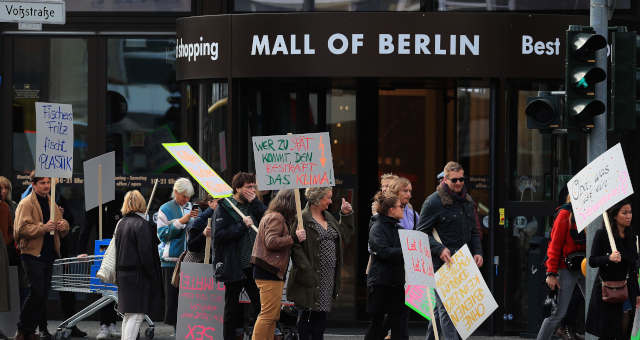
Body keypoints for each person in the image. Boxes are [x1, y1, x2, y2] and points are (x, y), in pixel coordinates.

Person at [417, 161, 483, 340]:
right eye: (455, 180)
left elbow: (474, 231)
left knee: (447, 312)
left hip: (463, 263)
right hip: (441, 264)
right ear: (445, 179)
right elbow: (421, 232)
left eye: (462, 179)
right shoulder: (433, 202)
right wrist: (439, 249)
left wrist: (478, 252)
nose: (459, 183)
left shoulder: (468, 201)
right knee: (448, 310)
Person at [287, 187, 354, 340]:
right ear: (317, 199)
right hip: (310, 276)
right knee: (307, 316)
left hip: (327, 277)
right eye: (328, 198)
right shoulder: (302, 218)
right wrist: (306, 269)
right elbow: (294, 247)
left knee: (320, 319)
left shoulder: (329, 217)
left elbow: (344, 235)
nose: (331, 201)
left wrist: (346, 214)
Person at [13, 176, 69, 340]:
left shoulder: (52, 202)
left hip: (48, 253)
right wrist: (43, 228)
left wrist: (63, 225)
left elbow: (63, 226)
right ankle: (22, 329)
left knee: (42, 294)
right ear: (33, 185)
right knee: (36, 291)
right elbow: (20, 229)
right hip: (31, 253)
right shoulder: (26, 203)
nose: (46, 186)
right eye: (42, 183)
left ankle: (29, 331)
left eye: (48, 183)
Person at [213, 172, 266, 340]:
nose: (252, 190)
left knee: (260, 306)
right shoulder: (225, 207)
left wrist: (256, 202)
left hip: (253, 265)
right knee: (232, 309)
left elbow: (268, 219)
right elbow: (219, 235)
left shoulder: (253, 205)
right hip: (234, 264)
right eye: (248, 187)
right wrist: (241, 226)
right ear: (237, 188)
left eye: (253, 186)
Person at [250, 190, 306, 340]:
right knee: (268, 315)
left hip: (269, 270)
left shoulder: (274, 216)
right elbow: (271, 241)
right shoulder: (276, 217)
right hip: (268, 270)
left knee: (272, 315)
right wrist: (293, 238)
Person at [586, 200, 639, 339]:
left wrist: (637, 292)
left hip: (627, 289)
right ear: (615, 215)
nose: (629, 216)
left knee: (624, 331)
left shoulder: (631, 236)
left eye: (630, 212)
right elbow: (592, 261)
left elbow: (633, 265)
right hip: (608, 291)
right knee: (607, 331)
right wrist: (608, 258)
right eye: (624, 213)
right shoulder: (602, 234)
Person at [536, 190, 585, 340]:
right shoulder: (564, 215)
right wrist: (551, 273)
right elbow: (554, 245)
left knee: (595, 306)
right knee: (558, 313)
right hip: (566, 268)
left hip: (584, 267)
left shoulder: (589, 215)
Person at [114, 190, 163, 340]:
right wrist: (153, 276)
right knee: (136, 315)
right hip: (138, 276)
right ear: (141, 203)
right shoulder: (142, 225)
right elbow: (146, 255)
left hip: (123, 274)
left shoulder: (121, 223)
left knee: (129, 314)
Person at [365, 193, 408, 340]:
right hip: (380, 284)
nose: (403, 209)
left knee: (396, 322)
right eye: (400, 206)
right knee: (377, 324)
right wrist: (406, 252)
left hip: (396, 283)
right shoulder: (377, 228)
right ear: (391, 210)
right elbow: (382, 251)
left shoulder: (398, 228)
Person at [157, 177, 197, 330]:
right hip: (171, 260)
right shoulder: (165, 209)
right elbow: (162, 234)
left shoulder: (191, 207)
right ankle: (177, 330)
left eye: (188, 197)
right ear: (175, 192)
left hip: (190, 259)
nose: (186, 200)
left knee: (187, 299)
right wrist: (181, 221)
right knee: (173, 299)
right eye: (183, 196)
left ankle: (185, 330)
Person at [186, 195, 220, 263]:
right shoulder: (201, 220)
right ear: (210, 203)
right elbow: (191, 246)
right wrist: (204, 234)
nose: (222, 205)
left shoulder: (223, 218)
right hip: (199, 263)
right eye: (219, 202)